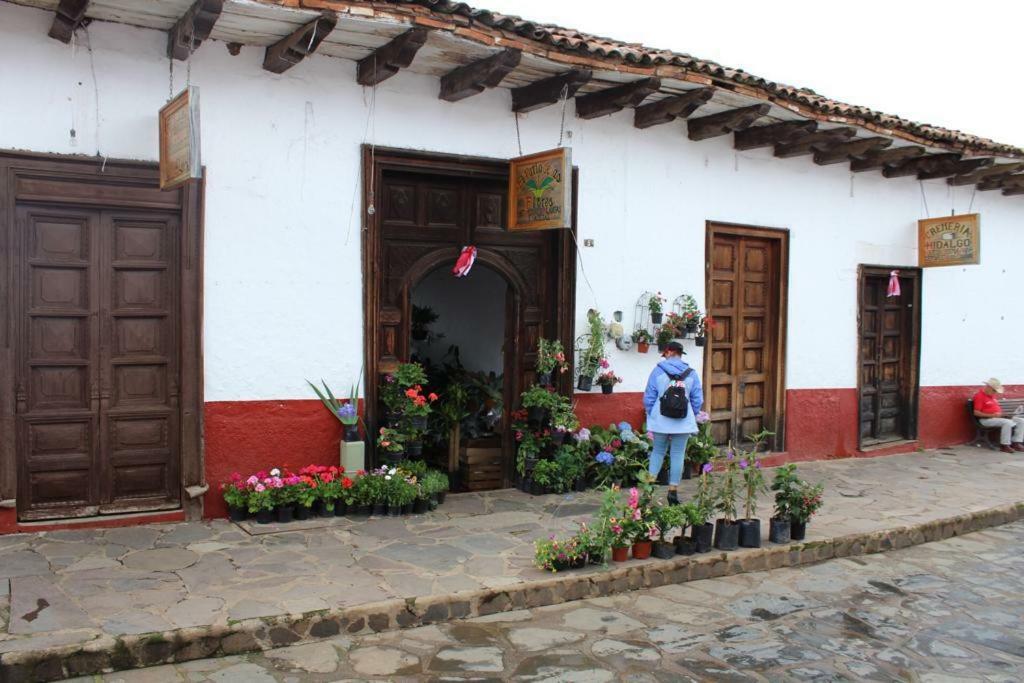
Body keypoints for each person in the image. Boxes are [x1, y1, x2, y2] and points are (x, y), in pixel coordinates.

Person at [643, 341, 704, 504]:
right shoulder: (691, 373)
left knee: (657, 452)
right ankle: (672, 492)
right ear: (680, 354)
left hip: (660, 419)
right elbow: (697, 399)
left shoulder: (658, 371)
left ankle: (648, 490)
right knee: (678, 455)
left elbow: (649, 397)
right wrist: (691, 412)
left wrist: (653, 414)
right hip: (683, 420)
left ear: (668, 353)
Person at [972, 377, 1023, 454]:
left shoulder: (991, 396)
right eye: (994, 390)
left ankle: (1016, 442)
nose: (995, 392)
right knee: (1007, 423)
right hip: (986, 420)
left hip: (997, 418)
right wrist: (992, 415)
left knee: (1021, 421)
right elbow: (976, 413)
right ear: (988, 387)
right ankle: (1004, 445)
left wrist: (1004, 415)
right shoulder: (979, 396)